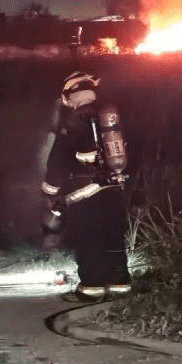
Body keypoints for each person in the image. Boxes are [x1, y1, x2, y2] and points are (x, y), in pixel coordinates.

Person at [41, 71, 131, 303]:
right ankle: (120, 285)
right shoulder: (110, 117)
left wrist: (50, 193)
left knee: (89, 238)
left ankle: (91, 288)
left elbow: (56, 162)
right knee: (113, 236)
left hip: (83, 193)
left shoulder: (71, 122)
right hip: (114, 189)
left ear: (71, 95)